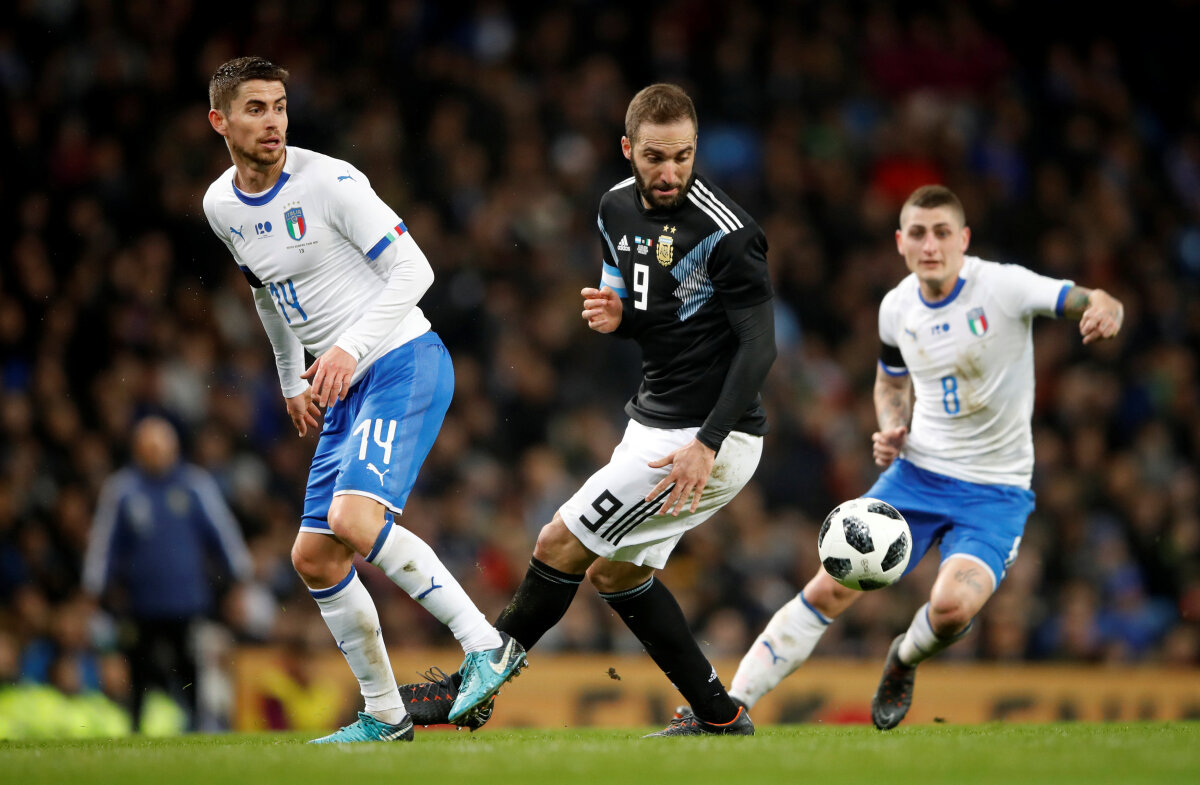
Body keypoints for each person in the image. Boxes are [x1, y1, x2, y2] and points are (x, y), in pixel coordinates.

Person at [400, 83, 776, 736]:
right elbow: (659, 315)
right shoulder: (613, 209)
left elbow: (760, 349)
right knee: (616, 571)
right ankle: (721, 714)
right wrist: (621, 317)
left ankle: (474, 685)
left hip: (707, 433)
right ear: (628, 148)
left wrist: (708, 442)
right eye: (656, 156)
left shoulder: (729, 233)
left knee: (557, 541)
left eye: (683, 156)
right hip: (653, 422)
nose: (670, 172)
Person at [200, 56, 526, 744]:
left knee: (351, 517)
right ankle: (385, 713)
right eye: (255, 108)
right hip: (342, 384)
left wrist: (344, 347)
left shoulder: (330, 181)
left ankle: (485, 642)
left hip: (402, 359)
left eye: (280, 106)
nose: (273, 122)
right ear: (219, 121)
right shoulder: (220, 206)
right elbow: (265, 293)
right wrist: (292, 375)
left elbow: (416, 268)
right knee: (314, 557)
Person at [723, 184, 1125, 730]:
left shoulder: (1003, 287)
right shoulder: (897, 307)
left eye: (941, 233)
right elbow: (890, 382)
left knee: (951, 608)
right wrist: (891, 425)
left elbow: (1087, 297)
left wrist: (1105, 306)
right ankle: (730, 705)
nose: (930, 244)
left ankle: (904, 657)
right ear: (900, 242)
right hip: (917, 476)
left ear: (963, 239)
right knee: (830, 584)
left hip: (995, 491)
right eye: (918, 233)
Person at [82, 416, 253, 730]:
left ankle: (197, 727)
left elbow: (223, 534)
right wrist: (95, 587)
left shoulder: (194, 484)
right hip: (139, 604)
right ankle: (134, 728)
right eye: (149, 447)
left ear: (174, 448)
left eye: (162, 446)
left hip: (186, 602)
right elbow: (104, 544)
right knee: (138, 670)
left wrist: (239, 578)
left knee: (190, 671)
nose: (156, 453)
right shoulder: (122, 490)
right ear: (137, 450)